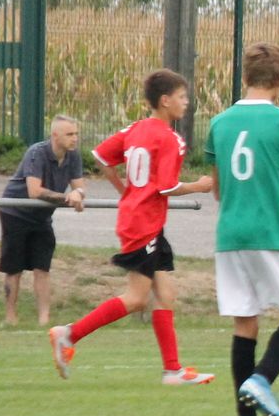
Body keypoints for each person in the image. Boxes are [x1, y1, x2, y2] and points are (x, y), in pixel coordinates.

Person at [48, 69, 214, 386]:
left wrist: (126, 191)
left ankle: (173, 371)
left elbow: (101, 156)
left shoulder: (135, 129)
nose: (186, 103)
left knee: (165, 294)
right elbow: (166, 187)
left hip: (141, 219)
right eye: (182, 97)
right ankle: (68, 334)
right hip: (144, 224)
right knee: (137, 298)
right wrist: (199, 185)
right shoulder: (171, 139)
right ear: (165, 101)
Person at [205, 42, 279, 416]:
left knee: (245, 321)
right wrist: (277, 200)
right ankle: (261, 379)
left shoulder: (219, 123)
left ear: (244, 77)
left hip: (229, 234)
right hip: (270, 232)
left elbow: (218, 191)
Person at [0, 114, 87, 327]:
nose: (74, 138)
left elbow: (80, 187)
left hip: (42, 216)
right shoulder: (37, 152)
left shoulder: (73, 155)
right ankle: (10, 318)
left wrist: (78, 193)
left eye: (76, 134)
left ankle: (44, 320)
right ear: (55, 135)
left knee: (42, 267)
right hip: (16, 212)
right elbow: (34, 191)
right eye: (69, 134)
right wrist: (67, 198)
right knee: (14, 268)